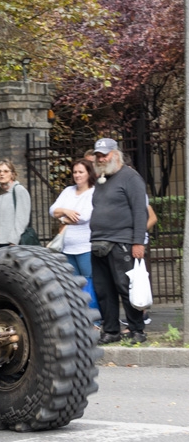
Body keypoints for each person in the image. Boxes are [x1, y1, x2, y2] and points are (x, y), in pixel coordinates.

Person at [89, 138, 149, 345]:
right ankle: (111, 330)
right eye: (98, 155)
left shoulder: (131, 177)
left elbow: (140, 212)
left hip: (122, 242)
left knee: (126, 288)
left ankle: (137, 330)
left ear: (116, 154)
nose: (101, 158)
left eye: (104, 154)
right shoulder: (101, 179)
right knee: (103, 290)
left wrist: (138, 242)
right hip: (98, 243)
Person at [49, 158, 97, 310]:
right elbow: (52, 210)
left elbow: (83, 217)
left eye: (81, 172)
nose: (77, 175)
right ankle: (80, 318)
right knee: (73, 284)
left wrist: (62, 219)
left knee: (89, 283)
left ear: (89, 173)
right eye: (75, 172)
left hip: (85, 247)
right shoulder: (68, 191)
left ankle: (94, 320)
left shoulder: (93, 192)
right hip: (67, 247)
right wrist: (66, 211)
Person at [0, 160, 31, 247]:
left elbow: (22, 219)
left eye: (5, 171)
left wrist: (14, 241)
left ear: (12, 174)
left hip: (13, 243)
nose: (2, 174)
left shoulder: (19, 190)